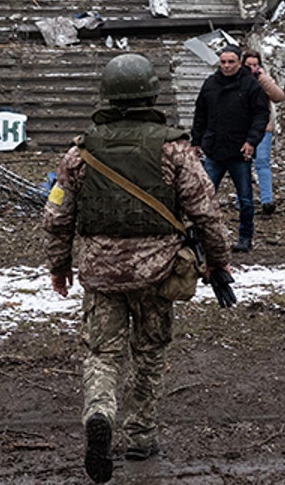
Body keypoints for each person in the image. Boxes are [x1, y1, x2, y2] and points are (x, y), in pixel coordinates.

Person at [44, 53, 233, 483]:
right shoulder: (174, 149)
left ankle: (99, 412)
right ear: (151, 93)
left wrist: (59, 265)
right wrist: (219, 261)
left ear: (107, 95)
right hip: (158, 272)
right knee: (148, 353)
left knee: (101, 354)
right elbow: (206, 213)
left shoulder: (80, 152)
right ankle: (141, 436)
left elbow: (56, 216)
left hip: (100, 273)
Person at [190, 44, 269, 252]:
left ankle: (245, 237)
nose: (226, 66)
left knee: (245, 200)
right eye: (223, 62)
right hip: (214, 149)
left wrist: (252, 141)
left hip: (239, 150)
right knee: (204, 198)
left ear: (239, 63)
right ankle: (200, 238)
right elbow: (200, 114)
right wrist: (196, 141)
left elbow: (261, 115)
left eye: (231, 62)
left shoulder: (251, 86)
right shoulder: (210, 84)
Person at [242, 49, 285, 217]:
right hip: (241, 129)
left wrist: (263, 79)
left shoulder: (264, 80)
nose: (252, 68)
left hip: (263, 128)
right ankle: (243, 201)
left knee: (262, 163)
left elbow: (278, 96)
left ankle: (267, 201)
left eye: (255, 65)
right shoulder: (237, 80)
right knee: (242, 165)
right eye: (249, 65)